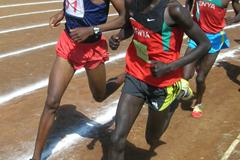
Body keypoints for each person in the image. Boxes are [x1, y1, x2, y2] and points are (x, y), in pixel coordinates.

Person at [107, 0, 211, 159]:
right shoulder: (131, 2)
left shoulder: (174, 10)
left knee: (152, 138)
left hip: (163, 84)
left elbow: (204, 44)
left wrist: (169, 67)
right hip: (136, 74)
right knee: (116, 139)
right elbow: (130, 25)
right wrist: (118, 37)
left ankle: (174, 97)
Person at [30, 0, 126, 159]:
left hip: (92, 48)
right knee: (52, 102)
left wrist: (92, 30)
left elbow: (125, 17)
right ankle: (36, 157)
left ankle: (127, 75)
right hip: (69, 45)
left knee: (100, 95)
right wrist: (62, 12)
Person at [184, 0, 240, 118]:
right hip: (197, 35)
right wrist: (185, 17)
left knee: (200, 78)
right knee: (186, 74)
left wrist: (233, 20)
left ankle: (198, 103)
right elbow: (188, 2)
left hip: (214, 39)